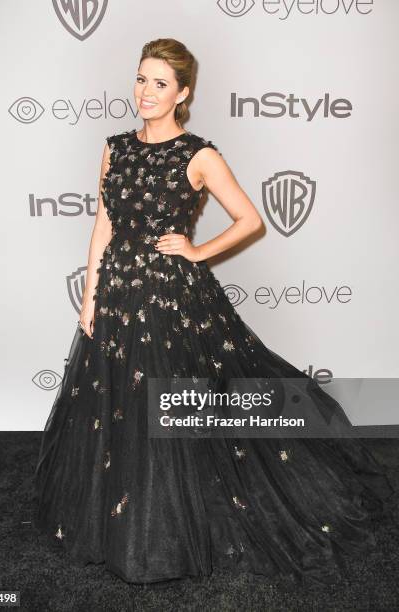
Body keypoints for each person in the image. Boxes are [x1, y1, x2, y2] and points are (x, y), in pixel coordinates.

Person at [34, 38, 394, 586]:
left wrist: (198, 251)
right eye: (141, 79)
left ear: (183, 94)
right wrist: (90, 295)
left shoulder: (198, 154)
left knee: (172, 412)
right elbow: (102, 225)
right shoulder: (115, 147)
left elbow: (249, 219)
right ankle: (116, 517)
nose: (146, 92)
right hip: (118, 295)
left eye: (160, 83)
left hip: (171, 299)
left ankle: (165, 529)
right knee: (118, 409)